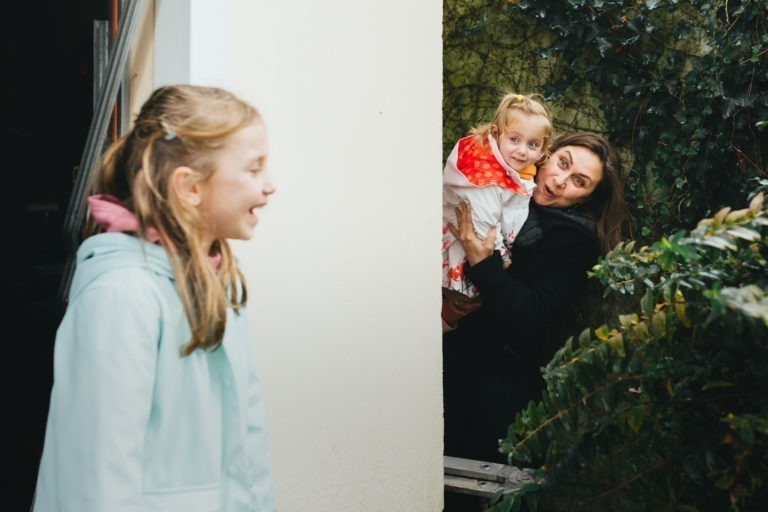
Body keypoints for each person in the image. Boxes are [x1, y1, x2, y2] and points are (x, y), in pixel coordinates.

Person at [32, 85, 277, 511]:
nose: (270, 185)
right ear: (190, 188)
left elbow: (248, 448)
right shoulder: (122, 297)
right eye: (253, 170)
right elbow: (98, 478)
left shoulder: (221, 284)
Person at [443, 132, 627, 468]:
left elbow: (535, 313)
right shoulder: (499, 190)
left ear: (584, 199)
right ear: (548, 154)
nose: (559, 181)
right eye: (562, 163)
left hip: (495, 385)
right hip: (442, 362)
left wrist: (484, 263)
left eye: (578, 181)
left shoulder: (573, 241)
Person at [442, 92, 552, 314]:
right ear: (496, 133)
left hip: (477, 250)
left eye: (533, 144)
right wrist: (501, 257)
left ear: (542, 149)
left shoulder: (518, 170)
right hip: (461, 246)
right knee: (460, 304)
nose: (522, 150)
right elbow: (483, 224)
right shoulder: (485, 177)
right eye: (514, 139)